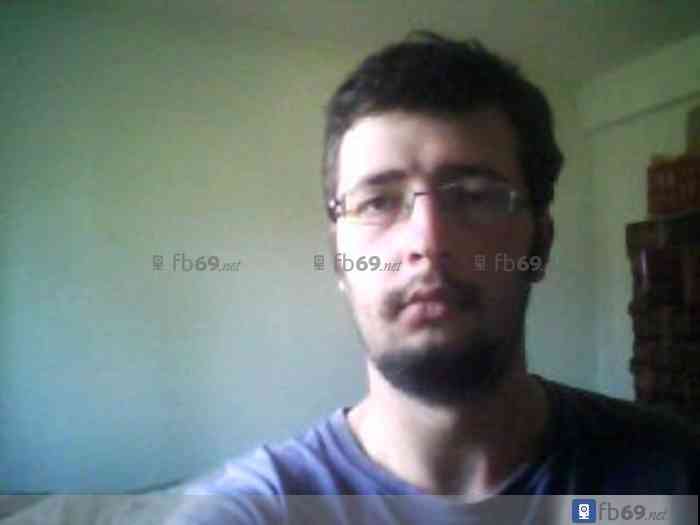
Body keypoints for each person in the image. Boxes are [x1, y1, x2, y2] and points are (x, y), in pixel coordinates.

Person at [167, 32, 699, 525]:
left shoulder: (673, 477)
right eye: (378, 202)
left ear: (539, 244)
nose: (428, 241)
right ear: (339, 259)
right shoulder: (250, 511)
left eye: (474, 196)